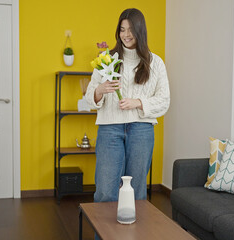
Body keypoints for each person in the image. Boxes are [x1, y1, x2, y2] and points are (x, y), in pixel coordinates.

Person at [85, 8, 170, 203]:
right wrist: (101, 89)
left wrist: (138, 103)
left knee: (136, 192)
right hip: (109, 129)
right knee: (105, 192)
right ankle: (106, 234)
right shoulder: (106, 60)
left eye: (130, 29)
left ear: (140, 30)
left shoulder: (155, 62)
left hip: (141, 130)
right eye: (122, 30)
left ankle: (132, 233)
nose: (126, 35)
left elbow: (164, 100)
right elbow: (90, 96)